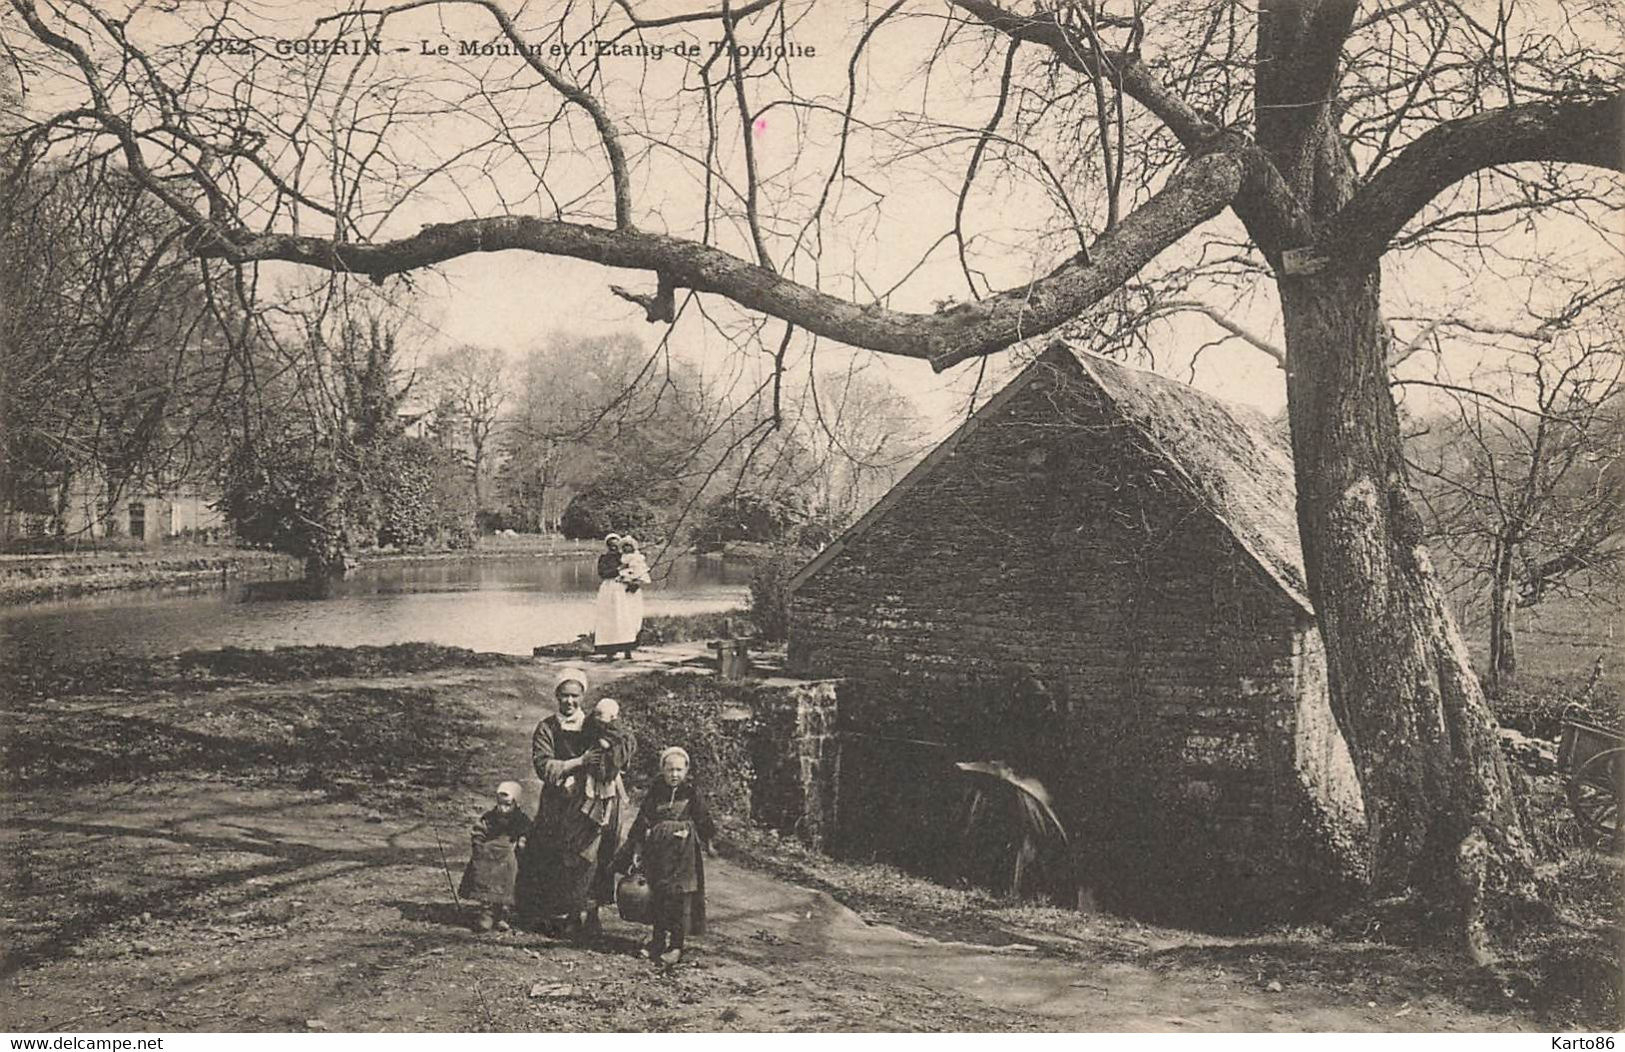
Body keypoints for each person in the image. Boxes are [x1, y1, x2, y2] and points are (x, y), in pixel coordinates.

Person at [517, 666, 633, 936]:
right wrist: (578, 762)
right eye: (564, 696)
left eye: (575, 696)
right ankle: (560, 912)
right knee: (558, 854)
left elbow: (620, 745)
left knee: (597, 855)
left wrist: (615, 756)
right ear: (557, 696)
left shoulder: (594, 723)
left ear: (583, 696)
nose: (569, 702)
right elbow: (544, 766)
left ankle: (590, 912)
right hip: (560, 801)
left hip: (595, 801)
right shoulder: (547, 727)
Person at [616, 746, 717, 966]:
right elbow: (643, 820)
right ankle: (658, 941)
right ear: (662, 769)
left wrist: (709, 842)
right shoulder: (656, 791)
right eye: (670, 769)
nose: (674, 775)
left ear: (686, 770)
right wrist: (636, 849)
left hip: (683, 853)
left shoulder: (691, 792)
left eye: (679, 770)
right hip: (658, 852)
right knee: (659, 895)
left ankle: (676, 945)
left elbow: (703, 819)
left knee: (678, 898)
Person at [458, 780, 531, 933]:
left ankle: (502, 914)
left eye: (507, 805)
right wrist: (479, 844)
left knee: (508, 878)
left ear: (516, 804)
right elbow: (479, 830)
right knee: (486, 876)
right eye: (500, 804)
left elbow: (527, 830)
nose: (502, 809)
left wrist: (522, 840)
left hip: (509, 853)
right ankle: (487, 912)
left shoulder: (520, 819)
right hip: (489, 853)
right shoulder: (490, 817)